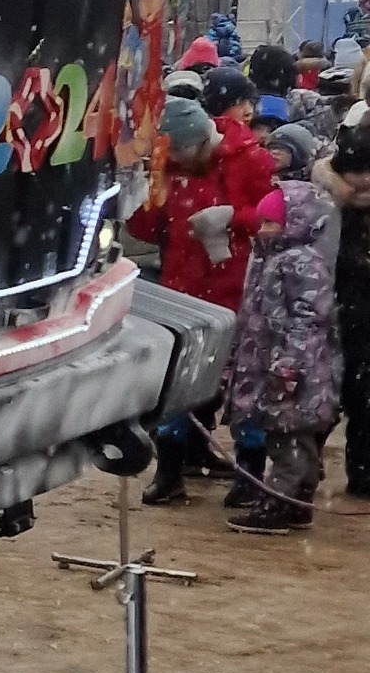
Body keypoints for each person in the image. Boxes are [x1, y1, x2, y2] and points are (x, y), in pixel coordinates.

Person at [133, 95, 257, 504]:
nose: (183, 165)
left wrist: (232, 218)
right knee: (177, 387)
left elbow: (274, 216)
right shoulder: (167, 169)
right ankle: (172, 470)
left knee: (242, 388)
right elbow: (149, 228)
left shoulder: (250, 160)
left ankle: (246, 474)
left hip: (236, 292)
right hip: (182, 290)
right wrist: (139, 195)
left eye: (188, 155)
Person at [225, 180, 342, 532]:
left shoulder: (298, 263)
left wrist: (289, 365)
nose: (262, 231)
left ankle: (279, 503)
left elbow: (309, 320)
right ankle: (297, 502)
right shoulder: (273, 260)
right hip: (285, 366)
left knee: (288, 440)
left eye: (269, 223)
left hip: (294, 371)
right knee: (294, 438)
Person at [316, 104, 370, 498]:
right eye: (355, 173)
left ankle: (363, 472)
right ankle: (303, 470)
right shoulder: (326, 210)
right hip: (335, 317)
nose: (363, 182)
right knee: (325, 401)